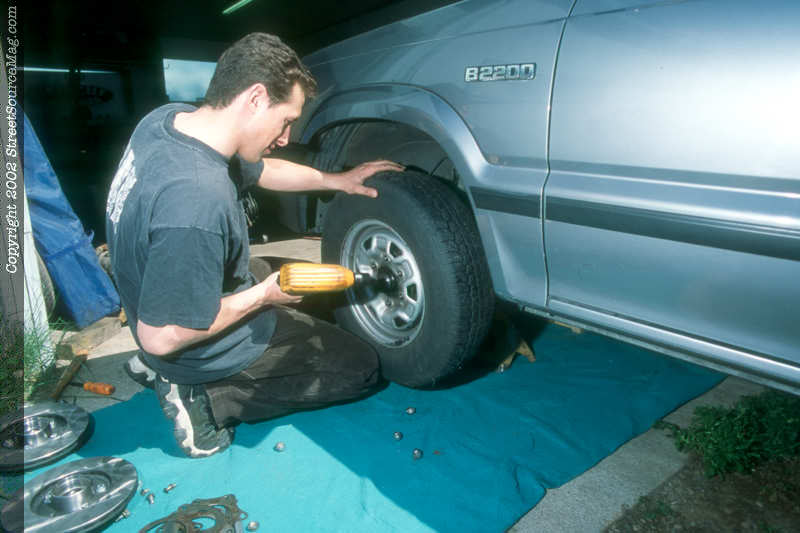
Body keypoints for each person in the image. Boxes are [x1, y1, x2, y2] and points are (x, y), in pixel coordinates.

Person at [105, 33, 403, 458]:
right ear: (256, 98)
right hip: (183, 344)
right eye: (285, 121)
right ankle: (203, 394)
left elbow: (262, 171)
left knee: (286, 274)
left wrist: (337, 180)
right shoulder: (195, 197)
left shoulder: (168, 122)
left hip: (151, 293)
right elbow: (160, 336)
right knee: (359, 368)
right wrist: (263, 297)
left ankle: (167, 366)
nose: (285, 137)